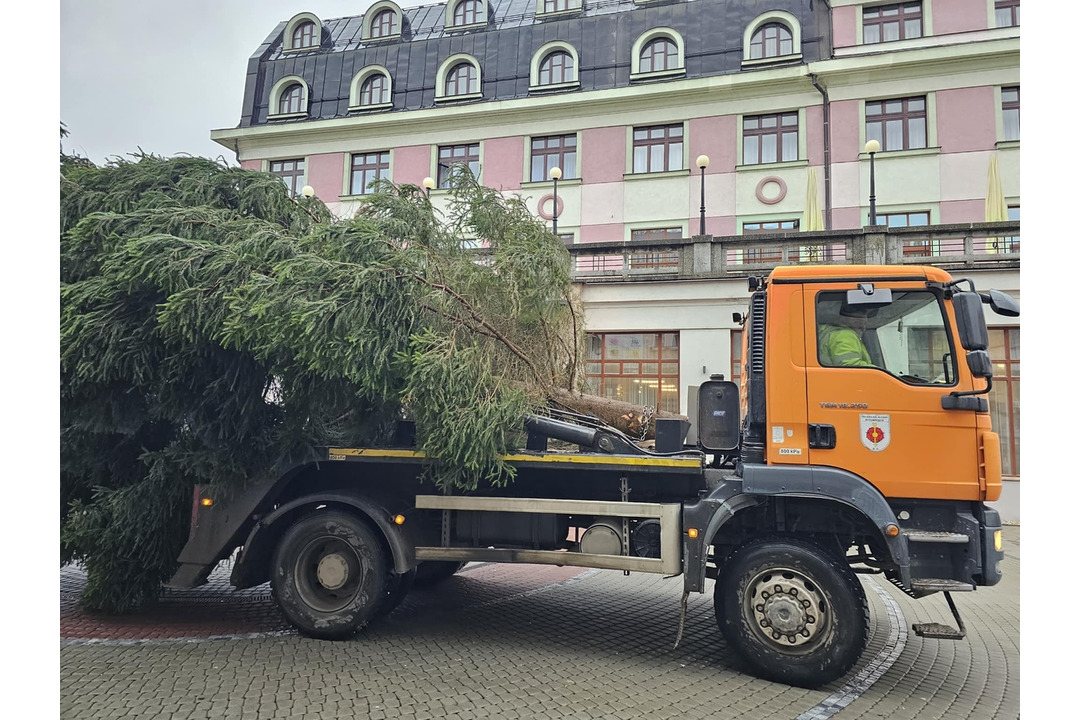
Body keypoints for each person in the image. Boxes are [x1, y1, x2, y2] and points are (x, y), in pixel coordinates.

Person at [819, 302, 875, 367]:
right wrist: (880, 372)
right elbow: (850, 365)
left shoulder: (828, 332)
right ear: (843, 318)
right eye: (858, 317)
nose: (864, 321)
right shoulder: (844, 335)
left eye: (864, 316)